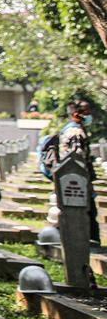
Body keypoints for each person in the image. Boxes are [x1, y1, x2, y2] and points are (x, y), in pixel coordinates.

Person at [59, 100, 100, 245]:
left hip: (73, 178)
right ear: (76, 114)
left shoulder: (70, 129)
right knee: (87, 212)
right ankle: (90, 242)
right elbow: (77, 158)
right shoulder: (76, 132)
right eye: (86, 112)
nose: (89, 115)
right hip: (78, 179)